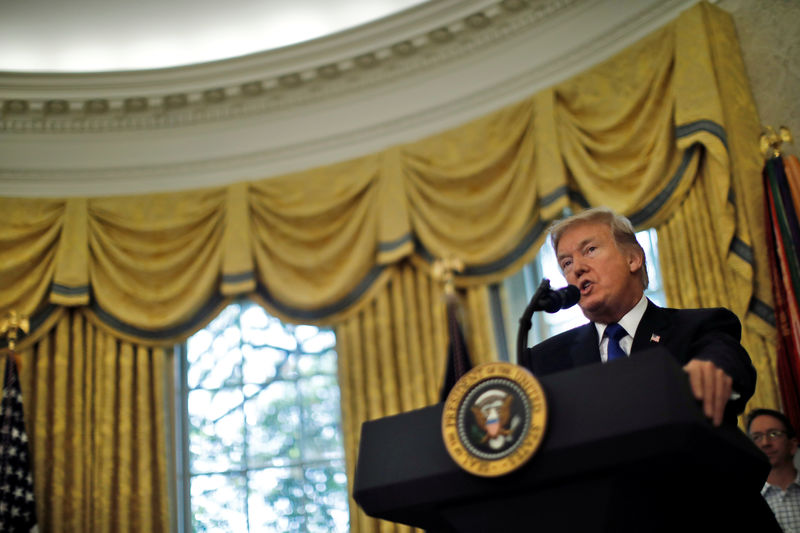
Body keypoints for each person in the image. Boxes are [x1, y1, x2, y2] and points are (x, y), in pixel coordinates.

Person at [522, 207, 756, 425]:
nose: (577, 268)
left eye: (590, 250)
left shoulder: (699, 326)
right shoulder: (545, 360)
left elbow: (727, 360)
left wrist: (711, 369)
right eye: (566, 262)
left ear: (633, 258)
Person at [748, 408, 800, 532]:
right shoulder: (744, 500)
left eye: (774, 434)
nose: (765, 443)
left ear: (792, 445)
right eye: (757, 437)